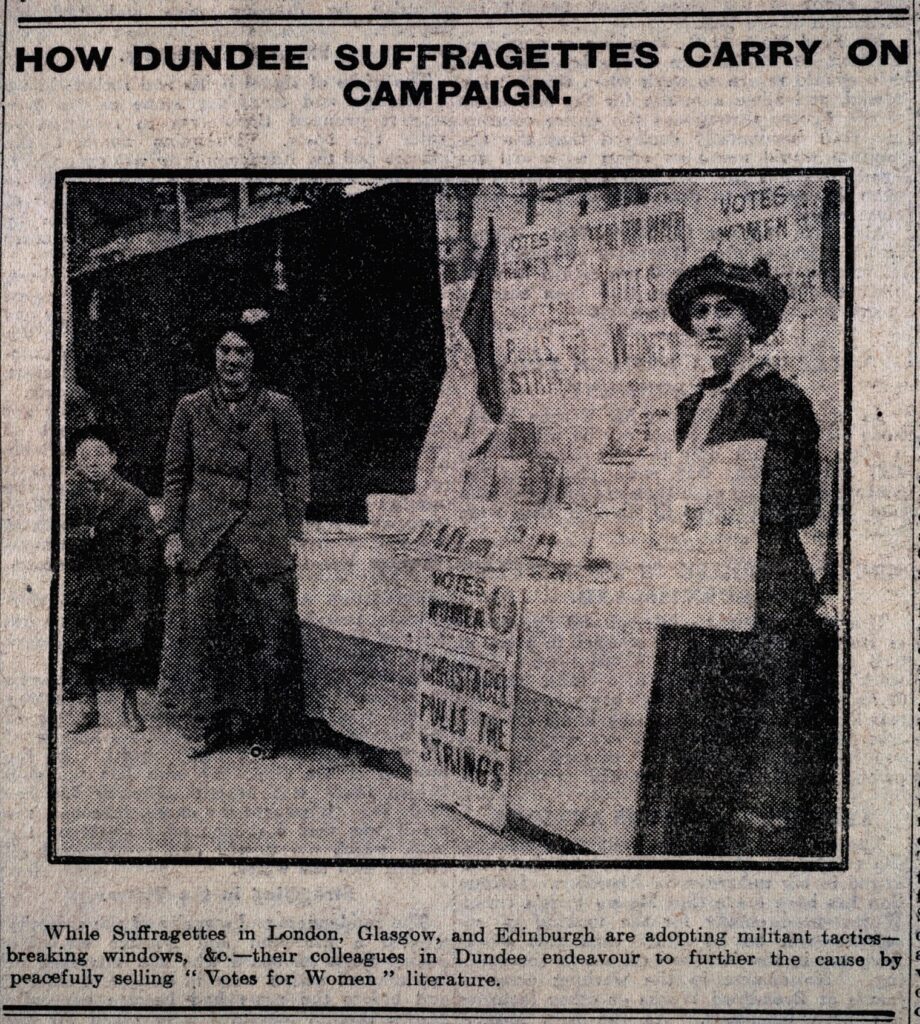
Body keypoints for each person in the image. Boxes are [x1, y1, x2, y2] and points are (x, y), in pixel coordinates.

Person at [634, 253, 832, 857]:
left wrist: (730, 494)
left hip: (763, 586)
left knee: (752, 733)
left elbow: (800, 502)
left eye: (725, 310)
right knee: (693, 726)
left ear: (753, 322)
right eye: (700, 312)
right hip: (701, 580)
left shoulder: (783, 400)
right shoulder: (690, 406)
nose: (710, 322)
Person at [161, 312, 310, 759]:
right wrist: (173, 531)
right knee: (206, 633)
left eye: (242, 351)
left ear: (255, 357)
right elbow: (175, 475)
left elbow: (296, 473)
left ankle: (271, 728)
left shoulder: (278, 408)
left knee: (270, 634)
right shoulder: (190, 407)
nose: (232, 360)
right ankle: (216, 723)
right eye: (224, 350)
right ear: (214, 355)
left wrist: (293, 530)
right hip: (206, 537)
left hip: (261, 536)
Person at [64, 425, 157, 734]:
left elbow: (146, 543)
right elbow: (53, 537)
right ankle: (89, 706)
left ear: (113, 459)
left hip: (121, 584)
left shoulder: (132, 497)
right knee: (80, 644)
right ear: (75, 461)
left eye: (99, 455)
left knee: (126, 646)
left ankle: (129, 703)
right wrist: (85, 534)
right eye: (84, 457)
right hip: (81, 582)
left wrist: (138, 582)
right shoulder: (65, 494)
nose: (92, 462)